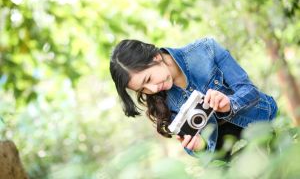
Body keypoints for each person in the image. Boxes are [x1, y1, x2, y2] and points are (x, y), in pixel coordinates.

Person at [109, 37, 278, 159]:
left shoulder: (206, 49)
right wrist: (199, 146)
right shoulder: (159, 99)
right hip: (227, 156)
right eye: (143, 89)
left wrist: (229, 104)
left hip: (259, 127)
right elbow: (198, 147)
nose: (152, 89)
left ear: (156, 57)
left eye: (148, 79)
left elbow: (249, 90)